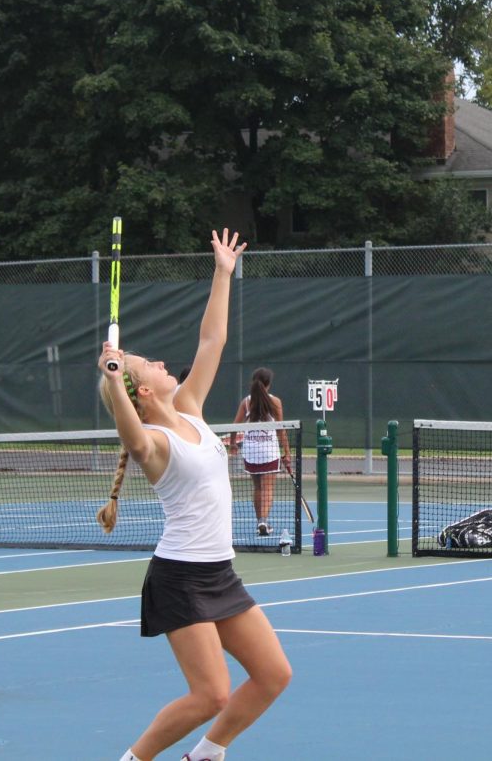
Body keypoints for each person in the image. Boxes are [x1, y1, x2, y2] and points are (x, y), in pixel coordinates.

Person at [96, 230, 292, 761]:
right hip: (180, 576)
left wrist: (223, 273)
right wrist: (114, 382)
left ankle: (206, 753)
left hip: (218, 571)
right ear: (142, 391)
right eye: (149, 366)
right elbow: (131, 437)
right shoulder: (155, 443)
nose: (162, 363)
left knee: (274, 674)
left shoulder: (189, 407)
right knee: (211, 693)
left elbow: (212, 342)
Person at [233, 368, 292, 537]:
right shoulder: (275, 402)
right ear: (269, 384)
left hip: (251, 452)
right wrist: (287, 453)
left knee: (258, 487)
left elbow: (234, 426)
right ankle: (263, 521)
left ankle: (260, 521)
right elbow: (281, 430)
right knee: (267, 488)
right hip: (269, 452)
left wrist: (233, 445)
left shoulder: (246, 402)